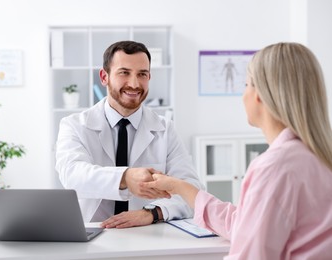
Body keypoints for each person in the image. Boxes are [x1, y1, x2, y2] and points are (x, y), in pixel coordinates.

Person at [143, 42, 332, 259]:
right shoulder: (317, 156)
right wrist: (180, 187)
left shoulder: (276, 167)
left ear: (260, 94)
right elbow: (245, 223)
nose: (243, 95)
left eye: (246, 84)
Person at [55, 40, 202, 229]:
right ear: (104, 76)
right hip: (91, 232)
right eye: (124, 73)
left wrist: (151, 213)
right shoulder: (74, 125)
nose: (134, 84)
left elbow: (191, 189)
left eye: (142, 74)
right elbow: (72, 175)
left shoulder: (165, 129)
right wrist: (125, 178)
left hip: (148, 234)